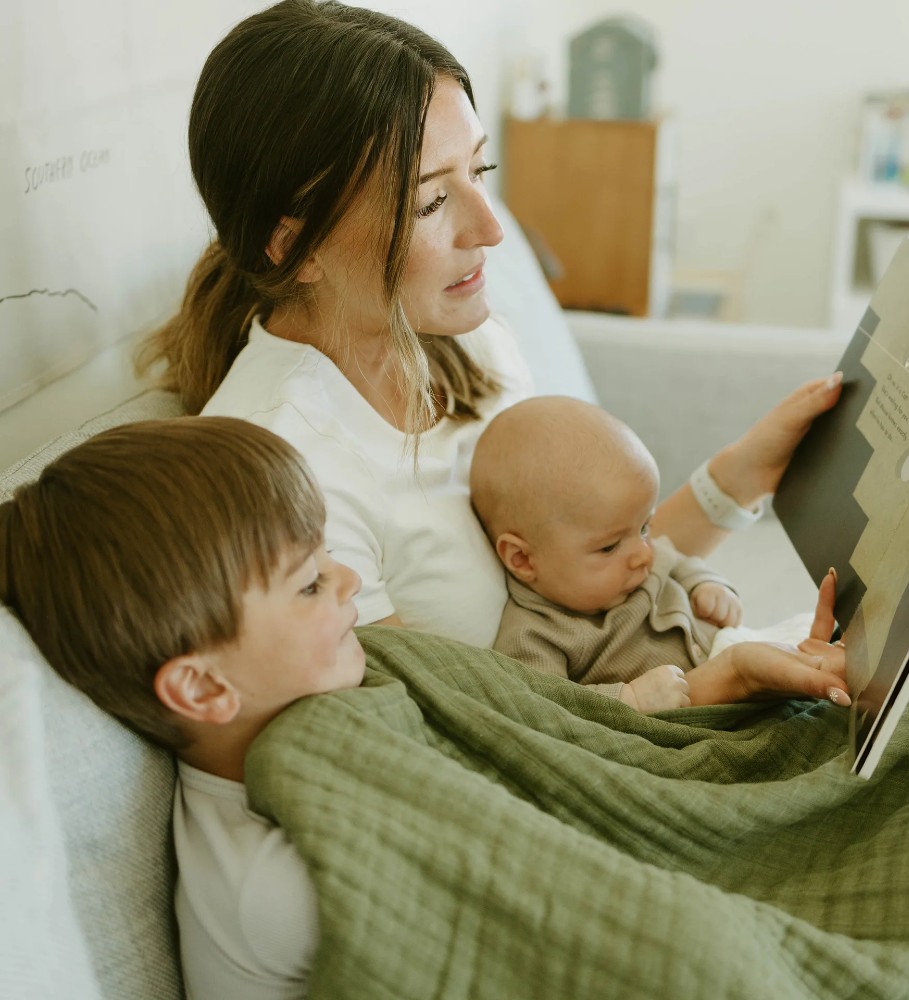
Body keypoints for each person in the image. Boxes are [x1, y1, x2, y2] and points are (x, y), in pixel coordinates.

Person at [0, 416, 850, 1000]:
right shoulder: (271, 880)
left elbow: (554, 735)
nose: (346, 584)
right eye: (307, 583)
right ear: (202, 688)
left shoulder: (366, 679)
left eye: (325, 557)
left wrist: (727, 684)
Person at [136, 0, 845, 663]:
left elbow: (597, 580)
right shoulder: (284, 474)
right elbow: (460, 733)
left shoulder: (466, 341)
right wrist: (695, 692)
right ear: (292, 247)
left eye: (481, 169)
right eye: (432, 200)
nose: (492, 228)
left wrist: (744, 474)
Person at [470, 395, 841, 714]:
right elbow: (548, 709)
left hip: (743, 643)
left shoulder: (637, 561)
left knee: (847, 650)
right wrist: (628, 699)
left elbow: (678, 562)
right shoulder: (535, 636)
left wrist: (707, 585)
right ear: (522, 559)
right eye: (609, 546)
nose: (642, 555)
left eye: (644, 527)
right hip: (714, 699)